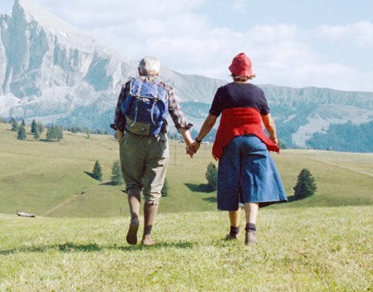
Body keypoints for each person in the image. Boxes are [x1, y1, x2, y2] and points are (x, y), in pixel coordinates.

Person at [188, 53, 287, 245]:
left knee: (232, 185)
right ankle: (251, 230)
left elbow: (211, 120)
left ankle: (234, 232)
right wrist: (273, 138)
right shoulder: (258, 92)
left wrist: (198, 140)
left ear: (232, 72)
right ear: (250, 74)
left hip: (231, 142)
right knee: (253, 186)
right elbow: (268, 121)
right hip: (255, 141)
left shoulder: (224, 92)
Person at [112, 56, 195, 246]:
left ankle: (134, 218)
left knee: (133, 184)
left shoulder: (128, 86)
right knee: (153, 189)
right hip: (157, 142)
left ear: (139, 71)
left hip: (132, 139)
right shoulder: (165, 87)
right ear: (157, 72)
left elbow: (118, 117)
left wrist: (122, 140)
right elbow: (178, 117)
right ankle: (147, 236)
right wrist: (190, 143)